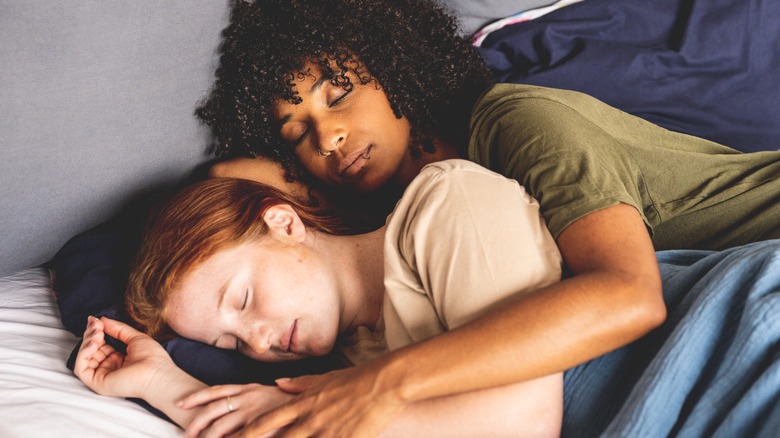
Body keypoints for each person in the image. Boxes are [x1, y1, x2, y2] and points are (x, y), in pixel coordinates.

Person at [187, 0, 779, 435]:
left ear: (396, 69)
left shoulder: (517, 124)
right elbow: (224, 181)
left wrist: (379, 385)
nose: (331, 136)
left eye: (337, 96)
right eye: (299, 135)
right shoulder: (396, 218)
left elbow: (629, 297)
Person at [75, 160, 565, 437]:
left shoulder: (446, 203)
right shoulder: (353, 354)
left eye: (243, 299)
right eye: (229, 343)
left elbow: (526, 421)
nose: (260, 343)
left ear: (284, 224)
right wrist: (160, 383)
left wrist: (326, 415)